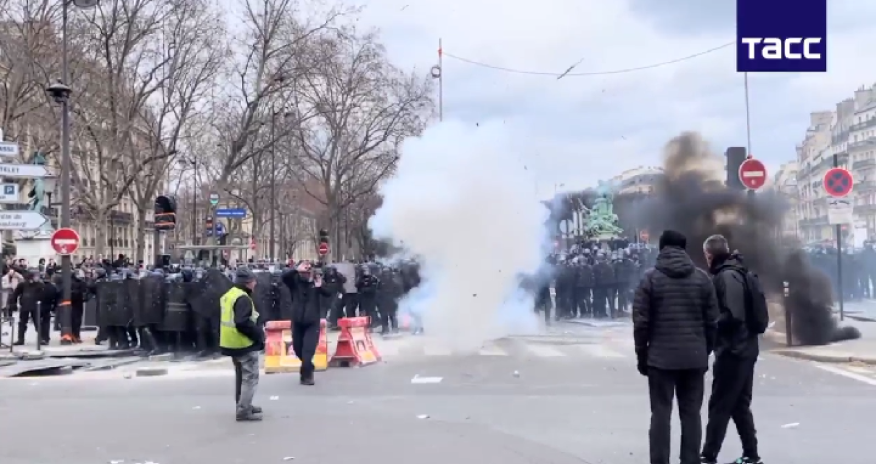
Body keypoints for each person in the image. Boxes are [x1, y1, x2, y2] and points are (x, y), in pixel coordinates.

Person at [633, 230, 719, 464]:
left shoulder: (649, 279)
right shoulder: (702, 279)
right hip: (694, 359)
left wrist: (642, 356)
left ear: (661, 248)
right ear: (684, 249)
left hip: (660, 360)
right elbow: (713, 322)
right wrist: (705, 350)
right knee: (691, 415)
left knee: (660, 414)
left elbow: (641, 323)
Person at [700, 235, 764, 464]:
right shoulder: (739, 271)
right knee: (738, 405)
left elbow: (733, 314)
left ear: (710, 254)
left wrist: (710, 324)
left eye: (706, 255)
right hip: (746, 349)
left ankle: (708, 456)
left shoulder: (726, 276)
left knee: (720, 404)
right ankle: (751, 454)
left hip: (734, 351)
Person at [219, 267, 264, 422]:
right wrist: (258, 335)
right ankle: (244, 410)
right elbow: (242, 322)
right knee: (250, 376)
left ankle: (243, 404)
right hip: (242, 342)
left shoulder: (228, 295)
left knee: (241, 375)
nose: (255, 283)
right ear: (247, 283)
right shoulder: (243, 298)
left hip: (229, 342)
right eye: (253, 281)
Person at [282, 261, 330, 385]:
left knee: (308, 350)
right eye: (304, 272)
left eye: (308, 271)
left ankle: (307, 376)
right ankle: (308, 366)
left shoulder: (316, 281)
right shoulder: (294, 282)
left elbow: (329, 293)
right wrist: (296, 269)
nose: (306, 274)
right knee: (298, 349)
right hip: (297, 321)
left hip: (312, 322)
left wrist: (320, 287)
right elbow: (284, 277)